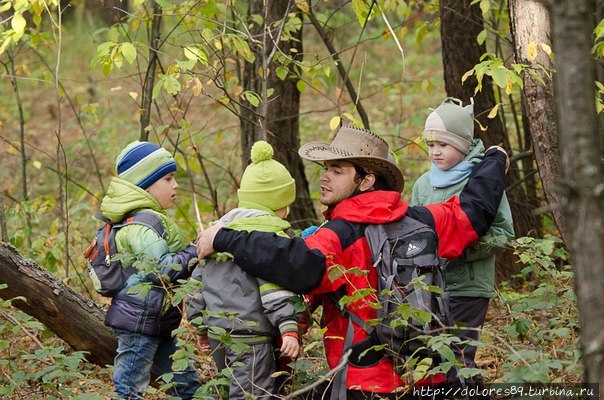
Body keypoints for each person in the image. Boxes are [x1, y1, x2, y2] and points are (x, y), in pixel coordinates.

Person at [196, 124, 509, 399]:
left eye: (337, 169)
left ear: (366, 179)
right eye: (326, 168)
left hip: (364, 381)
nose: (324, 176)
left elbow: (296, 263)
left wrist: (226, 237)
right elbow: (474, 210)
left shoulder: (338, 235)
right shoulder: (422, 219)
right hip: (426, 373)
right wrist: (495, 159)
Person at [186, 141, 302, 399]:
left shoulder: (214, 235)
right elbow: (276, 289)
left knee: (228, 388)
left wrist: (200, 326)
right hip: (250, 337)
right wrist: (289, 328)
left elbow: (196, 285)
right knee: (253, 392)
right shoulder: (267, 241)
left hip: (217, 332)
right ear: (278, 205)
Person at [411, 98, 514, 386]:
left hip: (469, 285)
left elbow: (504, 233)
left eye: (444, 145)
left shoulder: (482, 180)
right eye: (431, 145)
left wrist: (463, 249)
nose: (435, 152)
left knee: (457, 357)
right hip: (432, 287)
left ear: (464, 144)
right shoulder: (422, 184)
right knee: (437, 356)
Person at [100, 140, 200, 399]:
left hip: (157, 320)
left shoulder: (148, 220)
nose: (175, 185)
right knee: (129, 390)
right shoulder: (141, 226)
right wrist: (195, 251)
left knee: (186, 384)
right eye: (167, 178)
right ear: (145, 183)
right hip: (139, 323)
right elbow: (159, 270)